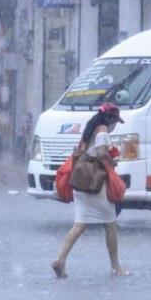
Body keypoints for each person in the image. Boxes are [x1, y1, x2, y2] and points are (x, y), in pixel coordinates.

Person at [51, 103, 131, 278]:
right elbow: (102, 153)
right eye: (115, 121)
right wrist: (112, 160)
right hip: (96, 185)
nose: (114, 126)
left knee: (79, 225)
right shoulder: (102, 132)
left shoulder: (89, 131)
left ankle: (60, 259)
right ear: (109, 119)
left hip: (80, 184)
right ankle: (116, 267)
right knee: (110, 225)